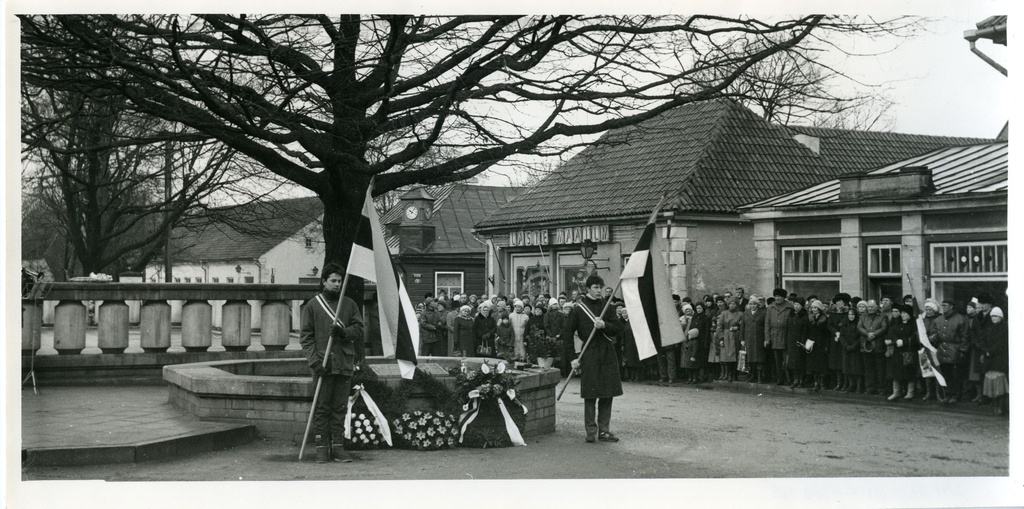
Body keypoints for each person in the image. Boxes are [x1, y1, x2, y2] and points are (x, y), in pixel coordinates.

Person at [300, 262, 364, 463]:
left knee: (339, 407)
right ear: (324, 282)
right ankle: (321, 447)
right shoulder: (313, 305)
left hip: (344, 362)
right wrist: (315, 362)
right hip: (323, 363)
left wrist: (344, 333)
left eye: (339, 281)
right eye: (333, 281)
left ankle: (338, 447)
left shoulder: (349, 304)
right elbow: (306, 337)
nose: (337, 284)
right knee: (322, 407)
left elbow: (359, 329)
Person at [564, 275, 623, 443]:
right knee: (590, 394)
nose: (599, 291)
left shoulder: (607, 307)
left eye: (600, 288)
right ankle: (590, 431)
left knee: (607, 393)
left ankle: (604, 431)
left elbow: (618, 328)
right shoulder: (578, 309)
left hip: (607, 352)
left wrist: (605, 325)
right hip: (589, 353)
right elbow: (567, 336)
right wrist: (572, 359)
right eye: (596, 287)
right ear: (588, 289)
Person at [933, 299, 968, 404]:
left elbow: (965, 337)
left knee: (956, 375)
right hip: (942, 350)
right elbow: (935, 334)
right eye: (942, 305)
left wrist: (963, 351)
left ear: (952, 306)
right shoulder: (938, 320)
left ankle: (956, 395)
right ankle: (947, 394)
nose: (943, 307)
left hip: (955, 350)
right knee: (946, 374)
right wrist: (931, 339)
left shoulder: (961, 319)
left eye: (945, 305)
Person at [885, 304, 919, 401]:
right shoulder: (897, 323)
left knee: (909, 372)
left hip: (909, 351)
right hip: (898, 351)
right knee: (896, 372)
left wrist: (904, 342)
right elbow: (893, 334)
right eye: (902, 313)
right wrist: (896, 341)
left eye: (905, 313)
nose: (903, 315)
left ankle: (910, 392)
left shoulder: (914, 325)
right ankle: (896, 392)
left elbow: (915, 337)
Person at [980, 307, 1008, 416]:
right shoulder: (989, 329)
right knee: (991, 383)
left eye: (996, 316)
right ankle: (995, 405)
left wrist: (990, 351)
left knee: (999, 384)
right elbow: (984, 341)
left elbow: (1003, 344)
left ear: (1000, 317)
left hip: (999, 359)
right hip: (989, 359)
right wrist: (985, 352)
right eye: (992, 316)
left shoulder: (1005, 329)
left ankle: (1001, 407)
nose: (993, 318)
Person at [858, 300, 887, 396]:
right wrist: (867, 334)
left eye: (872, 307)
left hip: (878, 345)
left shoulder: (882, 316)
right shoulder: (863, 316)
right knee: (868, 369)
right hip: (866, 345)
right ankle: (869, 388)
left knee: (880, 369)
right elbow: (859, 327)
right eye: (869, 307)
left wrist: (874, 334)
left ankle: (881, 388)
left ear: (876, 307)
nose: (870, 309)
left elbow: (884, 327)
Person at [765, 288, 794, 385]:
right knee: (777, 360)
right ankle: (780, 379)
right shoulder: (770, 308)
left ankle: (790, 379)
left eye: (779, 296)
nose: (777, 298)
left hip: (786, 336)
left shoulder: (790, 308)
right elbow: (767, 324)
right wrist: (767, 338)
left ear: (784, 298)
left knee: (787, 360)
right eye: (776, 296)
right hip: (774, 336)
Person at [804, 300, 830, 391]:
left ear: (819, 309)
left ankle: (822, 382)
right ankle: (816, 382)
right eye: (812, 308)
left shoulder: (824, 318)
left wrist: (826, 345)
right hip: (812, 343)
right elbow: (807, 331)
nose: (814, 309)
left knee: (822, 364)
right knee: (813, 364)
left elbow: (827, 333)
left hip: (821, 343)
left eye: (816, 308)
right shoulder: (809, 318)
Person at [741, 295, 767, 383]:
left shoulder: (763, 313)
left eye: (754, 304)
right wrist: (742, 339)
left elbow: (765, 327)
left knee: (759, 358)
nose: (752, 306)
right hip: (749, 339)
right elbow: (742, 327)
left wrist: (765, 339)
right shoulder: (746, 313)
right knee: (750, 358)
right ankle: (752, 375)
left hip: (759, 338)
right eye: (751, 304)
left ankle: (760, 376)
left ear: (757, 305)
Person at [839, 307, 864, 393]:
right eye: (849, 314)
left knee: (857, 368)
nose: (851, 316)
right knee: (847, 368)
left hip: (856, 349)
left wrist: (854, 346)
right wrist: (846, 346)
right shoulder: (845, 324)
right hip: (846, 348)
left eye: (853, 314)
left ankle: (859, 386)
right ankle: (851, 385)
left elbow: (861, 336)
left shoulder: (858, 323)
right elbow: (841, 335)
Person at [718, 298, 743, 382]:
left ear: (737, 305)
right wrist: (721, 338)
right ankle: (728, 374)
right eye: (730, 304)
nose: (732, 306)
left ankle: (734, 374)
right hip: (726, 337)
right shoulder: (724, 313)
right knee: (727, 356)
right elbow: (720, 327)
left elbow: (743, 326)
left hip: (736, 336)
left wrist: (738, 327)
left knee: (735, 355)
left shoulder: (740, 314)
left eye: (734, 304)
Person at [786, 297, 809, 388]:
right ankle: (795, 379)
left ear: (802, 306)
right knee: (792, 363)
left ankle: (801, 380)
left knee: (800, 362)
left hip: (800, 342)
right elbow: (787, 328)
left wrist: (802, 342)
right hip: (791, 341)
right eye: (795, 304)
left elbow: (805, 330)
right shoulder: (791, 315)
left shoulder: (805, 316)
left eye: (798, 305)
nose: (796, 306)